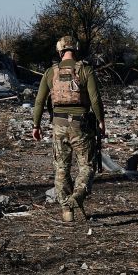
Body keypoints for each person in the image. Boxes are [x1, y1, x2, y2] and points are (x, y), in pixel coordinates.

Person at [32, 36, 105, 222]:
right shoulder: (85, 70)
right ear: (76, 49)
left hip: (58, 125)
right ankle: (78, 196)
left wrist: (36, 125)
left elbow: (39, 101)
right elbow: (95, 99)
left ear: (59, 51)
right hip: (81, 125)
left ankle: (67, 210)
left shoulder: (50, 72)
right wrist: (101, 120)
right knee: (87, 166)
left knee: (61, 168)